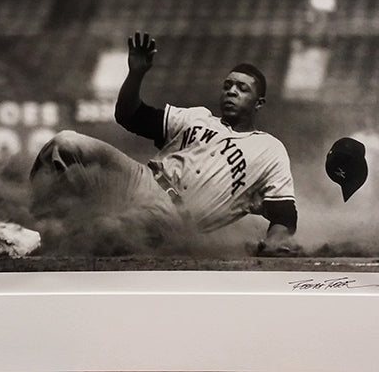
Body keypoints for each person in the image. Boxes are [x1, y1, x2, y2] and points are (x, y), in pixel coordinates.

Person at [30, 32, 297, 255]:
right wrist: (135, 74)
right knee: (65, 143)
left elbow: (284, 214)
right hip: (141, 178)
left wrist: (273, 243)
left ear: (259, 103)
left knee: (109, 232)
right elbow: (129, 116)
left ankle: (44, 243)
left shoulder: (270, 150)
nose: (231, 91)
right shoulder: (197, 117)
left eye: (242, 88)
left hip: (175, 216)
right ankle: (32, 223)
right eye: (228, 85)